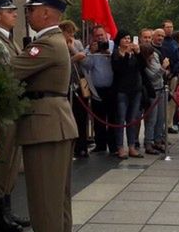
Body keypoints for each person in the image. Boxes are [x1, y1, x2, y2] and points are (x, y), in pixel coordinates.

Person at [9, 0, 78, 232]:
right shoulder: (51, 42)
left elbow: (8, 70)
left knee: (45, 203)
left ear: (47, 12)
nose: (27, 13)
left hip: (45, 127)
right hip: (53, 125)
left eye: (31, 8)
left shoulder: (46, 44)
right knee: (57, 201)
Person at [0, 0, 30, 232]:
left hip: (13, 109)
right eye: (9, 11)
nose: (14, 14)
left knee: (11, 161)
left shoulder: (10, 41)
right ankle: (0, 214)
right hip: (2, 110)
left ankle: (8, 210)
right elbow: (4, 74)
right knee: (0, 162)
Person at [81, 25, 114, 153]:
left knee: (112, 119)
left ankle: (113, 145)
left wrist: (107, 53)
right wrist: (92, 53)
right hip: (97, 90)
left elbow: (118, 60)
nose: (100, 38)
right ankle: (100, 144)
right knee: (98, 119)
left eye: (102, 35)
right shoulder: (89, 49)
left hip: (112, 88)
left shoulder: (112, 45)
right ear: (92, 37)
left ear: (106, 35)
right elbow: (86, 65)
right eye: (97, 36)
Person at [59, 20, 90, 158]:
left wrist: (73, 49)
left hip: (77, 84)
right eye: (67, 32)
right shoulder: (58, 45)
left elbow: (84, 60)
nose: (70, 35)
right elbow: (61, 64)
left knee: (81, 116)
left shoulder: (77, 43)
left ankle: (81, 146)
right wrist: (72, 58)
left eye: (72, 32)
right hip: (64, 84)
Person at [111, 30, 143, 158]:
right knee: (120, 119)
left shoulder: (134, 53)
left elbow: (142, 66)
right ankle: (120, 146)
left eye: (129, 38)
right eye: (124, 38)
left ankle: (131, 146)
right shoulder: (116, 54)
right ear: (119, 40)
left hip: (135, 89)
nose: (127, 41)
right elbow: (119, 70)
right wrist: (125, 55)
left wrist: (138, 53)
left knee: (132, 119)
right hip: (121, 90)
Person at [141, 28, 169, 154]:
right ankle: (148, 142)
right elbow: (152, 76)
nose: (153, 57)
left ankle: (158, 140)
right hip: (152, 91)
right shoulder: (143, 59)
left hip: (161, 88)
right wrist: (163, 68)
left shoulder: (155, 53)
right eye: (145, 37)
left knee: (160, 118)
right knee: (151, 119)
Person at [160, 20, 179, 133]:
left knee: (172, 100)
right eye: (167, 27)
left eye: (171, 27)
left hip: (173, 74)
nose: (169, 29)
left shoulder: (174, 43)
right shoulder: (160, 42)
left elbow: (178, 60)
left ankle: (169, 124)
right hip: (162, 73)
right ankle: (161, 126)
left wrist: (173, 72)